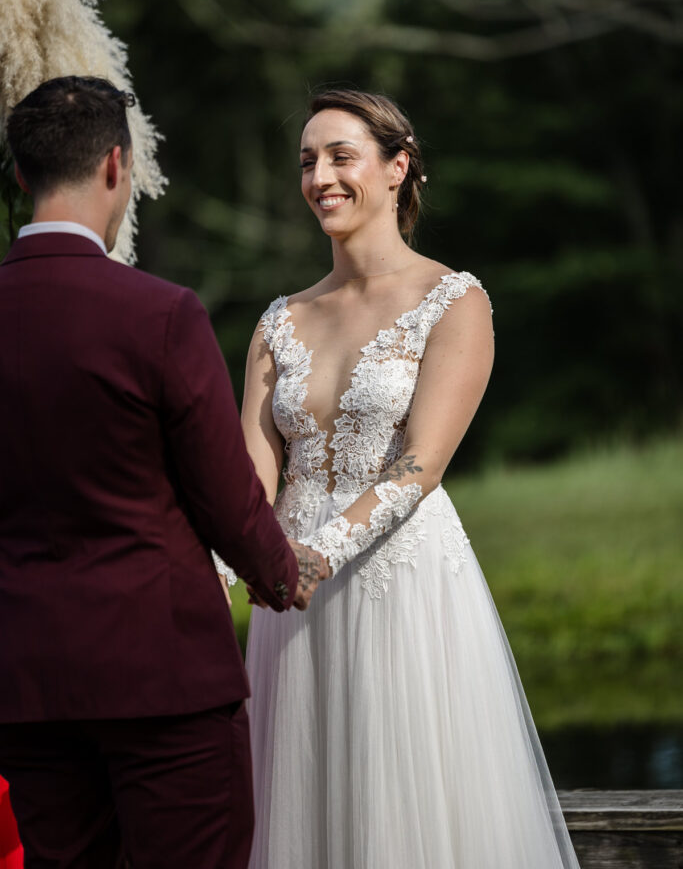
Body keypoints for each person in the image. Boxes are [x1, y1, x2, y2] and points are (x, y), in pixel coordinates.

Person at [239, 89, 581, 868]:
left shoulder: (451, 300)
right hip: (287, 600)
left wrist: (318, 553)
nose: (319, 176)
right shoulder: (276, 321)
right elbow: (251, 476)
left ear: (398, 168)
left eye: (339, 156)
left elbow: (421, 461)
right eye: (306, 161)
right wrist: (222, 565)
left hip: (395, 585)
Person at [0, 76, 328, 869]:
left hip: (26, 681)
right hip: (162, 676)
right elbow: (221, 489)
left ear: (19, 176)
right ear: (118, 165)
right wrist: (279, 573)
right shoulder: (160, 313)